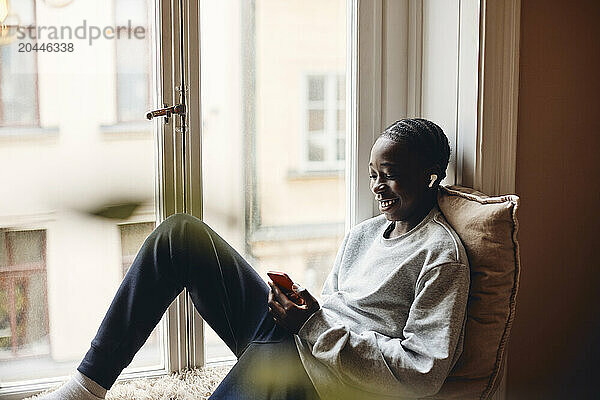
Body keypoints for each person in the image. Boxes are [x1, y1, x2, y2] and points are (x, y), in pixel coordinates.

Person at [39, 118, 469, 400]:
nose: (377, 187)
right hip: (298, 342)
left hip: (320, 384)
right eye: (373, 175)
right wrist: (300, 312)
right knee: (181, 234)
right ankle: (84, 388)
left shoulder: (441, 255)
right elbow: (335, 311)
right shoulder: (364, 233)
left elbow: (422, 371)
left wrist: (312, 327)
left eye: (391, 175)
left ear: (430, 175)